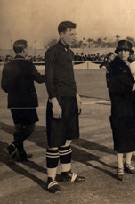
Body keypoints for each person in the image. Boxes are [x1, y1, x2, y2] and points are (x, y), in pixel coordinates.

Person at [44, 21, 85, 193]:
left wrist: (77, 96)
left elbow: (71, 78)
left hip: (70, 100)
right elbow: (49, 78)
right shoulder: (52, 52)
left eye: (75, 34)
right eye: (71, 34)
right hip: (58, 101)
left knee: (68, 138)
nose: (74, 37)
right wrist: (54, 100)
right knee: (55, 141)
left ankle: (65, 173)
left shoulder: (70, 53)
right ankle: (51, 179)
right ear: (61, 33)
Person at [1, 39, 45, 162]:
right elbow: (40, 80)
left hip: (14, 103)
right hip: (27, 102)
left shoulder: (7, 65)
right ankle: (14, 145)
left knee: (19, 128)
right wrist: (51, 75)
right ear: (24, 49)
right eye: (28, 47)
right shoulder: (28, 64)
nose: (29, 50)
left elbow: (4, 87)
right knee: (30, 127)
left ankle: (21, 154)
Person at [108, 40, 135, 181]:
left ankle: (128, 163)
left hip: (132, 105)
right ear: (117, 51)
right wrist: (133, 87)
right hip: (119, 105)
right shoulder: (114, 66)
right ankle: (120, 166)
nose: (124, 53)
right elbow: (114, 87)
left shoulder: (132, 65)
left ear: (130, 52)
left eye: (126, 50)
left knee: (131, 133)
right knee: (120, 135)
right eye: (121, 50)